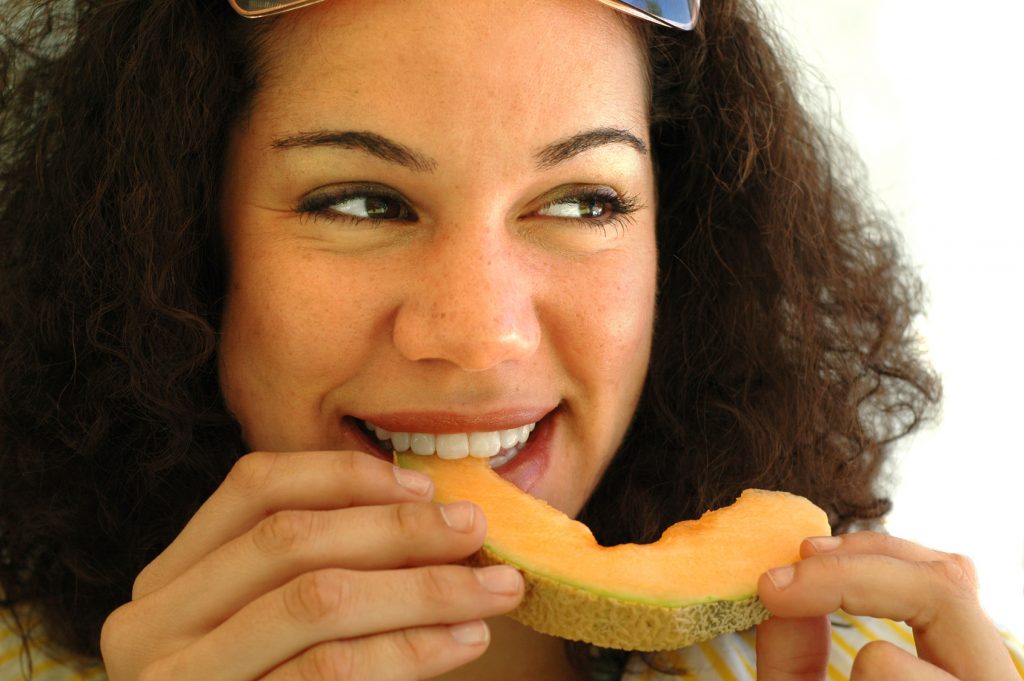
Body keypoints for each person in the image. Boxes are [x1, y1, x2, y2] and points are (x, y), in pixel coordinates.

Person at [0, 0, 1021, 679]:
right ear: (182, 240)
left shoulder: (891, 662)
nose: (478, 335)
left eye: (582, 202)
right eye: (360, 202)